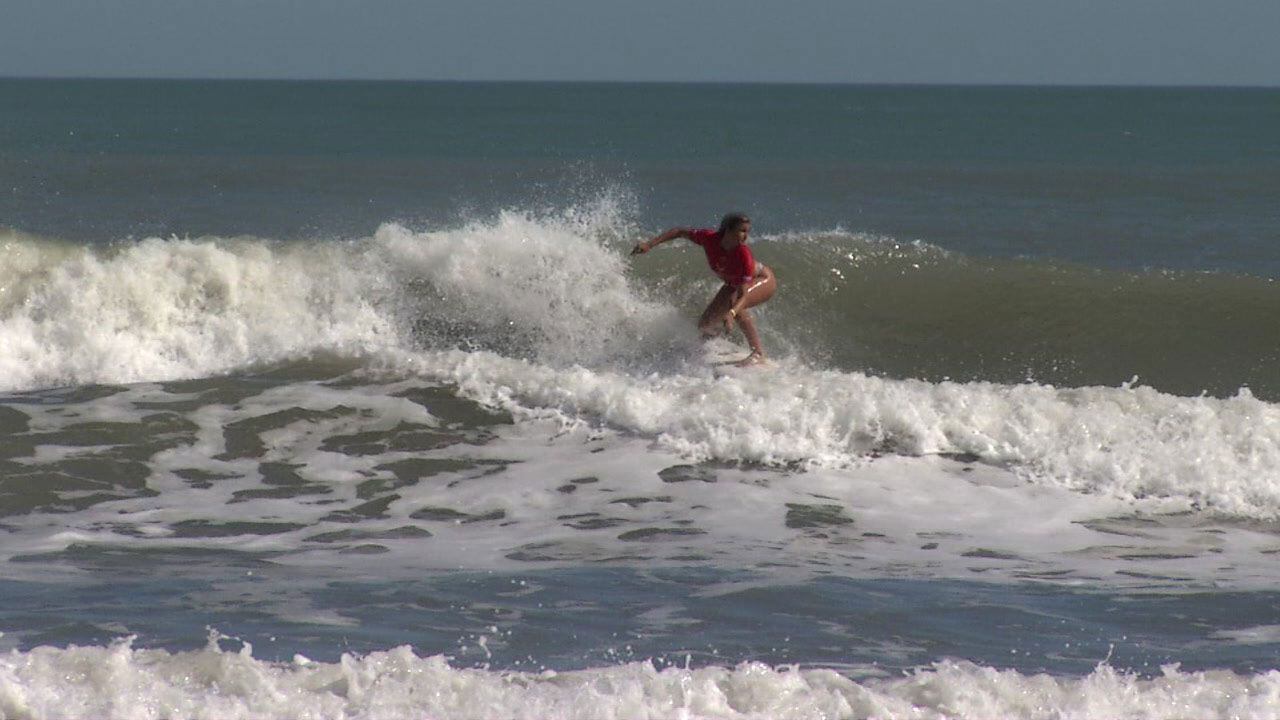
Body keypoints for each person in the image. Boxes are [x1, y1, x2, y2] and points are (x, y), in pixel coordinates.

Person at [631, 213, 776, 366]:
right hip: (733, 284)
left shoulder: (743, 255)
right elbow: (679, 232)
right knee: (705, 325)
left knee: (735, 305)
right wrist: (649, 244)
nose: (746, 236)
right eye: (742, 231)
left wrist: (732, 313)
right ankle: (711, 347)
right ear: (728, 230)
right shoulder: (709, 238)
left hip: (763, 280)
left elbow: (743, 295)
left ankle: (758, 353)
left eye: (747, 232)